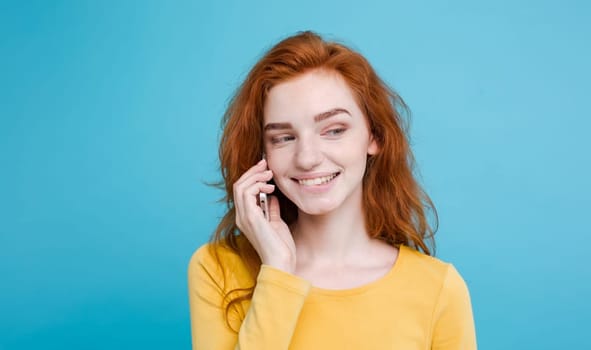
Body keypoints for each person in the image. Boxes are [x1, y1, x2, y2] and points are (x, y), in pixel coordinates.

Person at [187, 30, 477, 349]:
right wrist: (278, 272)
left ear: (374, 136)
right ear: (263, 155)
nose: (308, 158)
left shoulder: (438, 289)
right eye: (283, 138)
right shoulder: (218, 269)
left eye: (334, 130)